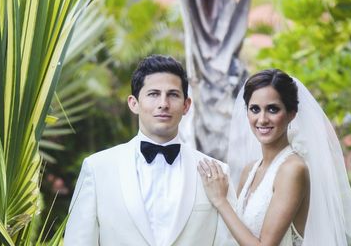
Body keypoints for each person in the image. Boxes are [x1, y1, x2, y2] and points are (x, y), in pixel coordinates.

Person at [64, 55, 235, 246]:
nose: (163, 103)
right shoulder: (97, 168)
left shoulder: (218, 172)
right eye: (153, 94)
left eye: (173, 94)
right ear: (134, 103)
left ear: (186, 105)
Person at [198, 69, 351, 246]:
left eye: (272, 109)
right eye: (255, 109)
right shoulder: (250, 170)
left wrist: (221, 201)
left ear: (291, 113)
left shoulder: (293, 169)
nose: (262, 119)